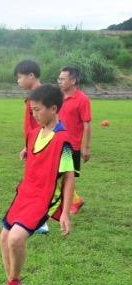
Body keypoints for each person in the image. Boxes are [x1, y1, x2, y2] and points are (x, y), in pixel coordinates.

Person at [0, 84, 74, 285]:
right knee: (4, 237)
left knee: (15, 238)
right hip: (24, 193)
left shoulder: (64, 141)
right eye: (31, 110)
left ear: (53, 108)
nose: (34, 114)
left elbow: (69, 177)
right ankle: (12, 284)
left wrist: (65, 213)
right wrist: (27, 150)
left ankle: (14, 283)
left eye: (38, 110)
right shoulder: (33, 134)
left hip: (44, 197)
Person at [15, 59, 48, 234]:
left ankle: (40, 222)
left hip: (41, 145)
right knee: (37, 181)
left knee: (38, 183)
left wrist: (37, 145)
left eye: (19, 77)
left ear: (31, 75)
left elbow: (44, 124)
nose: (18, 81)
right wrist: (27, 146)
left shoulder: (40, 96)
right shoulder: (34, 95)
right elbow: (31, 125)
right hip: (34, 145)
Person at [57, 66, 92, 215]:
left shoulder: (82, 99)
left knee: (65, 175)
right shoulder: (58, 97)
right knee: (59, 175)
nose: (59, 81)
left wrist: (86, 148)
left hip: (71, 146)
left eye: (63, 79)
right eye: (59, 79)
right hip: (56, 142)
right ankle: (74, 200)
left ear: (73, 81)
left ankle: (72, 202)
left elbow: (87, 125)